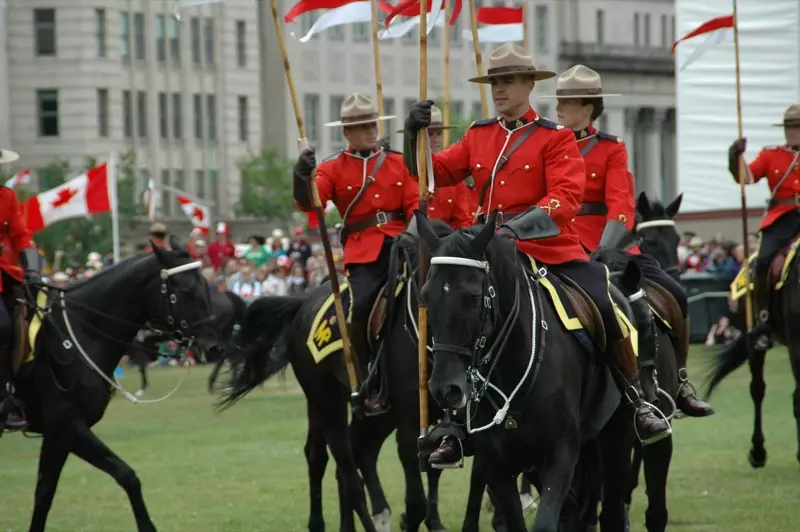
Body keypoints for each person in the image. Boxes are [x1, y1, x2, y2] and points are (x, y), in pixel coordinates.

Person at [403, 43, 670, 467]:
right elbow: (430, 176)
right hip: (488, 254)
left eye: (508, 81)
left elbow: (565, 197)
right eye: (495, 82)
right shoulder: (478, 134)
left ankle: (637, 399)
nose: (500, 89)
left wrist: (514, 229)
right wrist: (411, 136)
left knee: (607, 300)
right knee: (453, 316)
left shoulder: (555, 137)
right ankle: (454, 424)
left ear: (530, 84)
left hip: (546, 248)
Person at [548, 64, 713, 417]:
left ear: (589, 107)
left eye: (567, 101)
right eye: (558, 100)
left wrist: (602, 249)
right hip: (555, 243)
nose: (558, 107)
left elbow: (621, 204)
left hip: (606, 245)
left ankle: (676, 381)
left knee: (674, 293)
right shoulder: (547, 145)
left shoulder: (610, 149)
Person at [293, 93, 419, 414]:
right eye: (362, 126)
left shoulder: (398, 162)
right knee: (359, 305)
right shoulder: (332, 168)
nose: (370, 130)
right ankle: (369, 379)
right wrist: (301, 175)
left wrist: (412, 233)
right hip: (364, 253)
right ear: (347, 132)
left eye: (372, 124)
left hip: (404, 245)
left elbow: (415, 204)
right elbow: (310, 203)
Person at [729, 103, 800, 349]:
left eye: (797, 126)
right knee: (764, 260)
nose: (792, 131)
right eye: (789, 127)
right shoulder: (771, 155)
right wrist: (735, 156)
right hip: (782, 218)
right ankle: (764, 318)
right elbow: (745, 177)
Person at [0, 149, 42, 431]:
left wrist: (32, 266)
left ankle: (19, 393)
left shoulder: (7, 196)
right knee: (2, 327)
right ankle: (3, 397)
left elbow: (20, 234)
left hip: (7, 275)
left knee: (31, 325)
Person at [401, 105, 472, 229]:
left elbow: (462, 220)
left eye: (438, 133)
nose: (435, 140)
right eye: (429, 134)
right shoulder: (404, 170)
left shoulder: (452, 171)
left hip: (445, 242)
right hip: (413, 240)